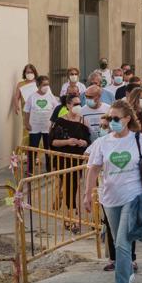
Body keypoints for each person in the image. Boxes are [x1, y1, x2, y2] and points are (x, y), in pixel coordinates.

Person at [84, 100, 142, 283]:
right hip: (109, 198)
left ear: (126, 119)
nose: (111, 121)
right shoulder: (102, 142)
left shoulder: (138, 139)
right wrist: (87, 194)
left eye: (115, 118)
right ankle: (127, 272)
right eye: (109, 118)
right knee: (118, 242)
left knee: (122, 244)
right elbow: (93, 169)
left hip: (132, 197)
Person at [49, 94, 90, 233]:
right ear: (68, 105)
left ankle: (69, 215)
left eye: (79, 104)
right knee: (70, 188)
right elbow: (52, 142)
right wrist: (67, 142)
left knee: (72, 188)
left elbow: (87, 141)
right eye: (75, 104)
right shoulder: (60, 121)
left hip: (77, 160)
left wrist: (82, 142)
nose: (77, 107)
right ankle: (71, 219)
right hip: (63, 159)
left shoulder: (83, 121)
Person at [23, 75, 59, 174]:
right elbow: (26, 111)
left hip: (48, 128)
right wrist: (26, 123)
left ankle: (49, 168)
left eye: (47, 84)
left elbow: (56, 109)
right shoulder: (32, 97)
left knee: (48, 148)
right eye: (44, 84)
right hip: (34, 127)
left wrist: (54, 124)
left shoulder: (51, 96)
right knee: (33, 148)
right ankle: (30, 169)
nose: (46, 87)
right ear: (38, 85)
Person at [13, 64, 38, 147]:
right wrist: (16, 106)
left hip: (38, 111)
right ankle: (26, 153)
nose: (29, 73)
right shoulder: (21, 84)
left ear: (34, 72)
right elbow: (16, 97)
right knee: (27, 131)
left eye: (31, 72)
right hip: (26, 112)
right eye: (28, 72)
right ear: (24, 73)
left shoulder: (38, 83)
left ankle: (38, 155)